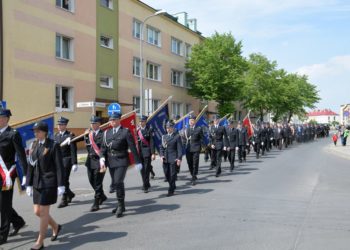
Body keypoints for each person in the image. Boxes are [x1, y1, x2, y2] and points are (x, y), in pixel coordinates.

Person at [26, 121, 65, 250]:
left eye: (38, 131)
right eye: (34, 131)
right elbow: (31, 166)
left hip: (49, 182)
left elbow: (59, 166)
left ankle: (40, 241)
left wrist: (61, 184)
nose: (35, 133)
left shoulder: (53, 145)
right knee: (37, 211)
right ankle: (55, 226)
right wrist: (29, 184)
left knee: (43, 212)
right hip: (37, 182)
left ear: (45, 132)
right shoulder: (34, 144)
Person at [99, 112, 142, 218]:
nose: (112, 121)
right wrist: (102, 158)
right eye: (111, 120)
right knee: (116, 183)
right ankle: (121, 205)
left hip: (122, 160)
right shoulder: (107, 133)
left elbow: (132, 147)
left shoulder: (125, 132)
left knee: (118, 182)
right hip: (111, 161)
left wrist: (137, 162)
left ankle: (120, 205)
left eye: (114, 119)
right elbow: (103, 147)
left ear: (119, 120)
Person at [0, 108, 27, 245]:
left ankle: (2, 235)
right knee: (1, 204)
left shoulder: (13, 134)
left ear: (6, 119)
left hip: (7, 174)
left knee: (4, 204)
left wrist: (26, 174)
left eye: (1, 117)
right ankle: (18, 221)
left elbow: (21, 155)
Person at [75, 115, 108, 211]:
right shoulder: (88, 134)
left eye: (94, 123)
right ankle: (102, 195)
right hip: (90, 161)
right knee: (91, 180)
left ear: (99, 124)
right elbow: (77, 139)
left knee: (98, 182)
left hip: (99, 161)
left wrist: (102, 157)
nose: (92, 125)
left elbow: (103, 148)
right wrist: (70, 139)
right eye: (91, 123)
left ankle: (96, 202)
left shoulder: (103, 135)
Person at [54, 117, 78, 208]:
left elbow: (73, 150)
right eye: (58, 124)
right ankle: (70, 194)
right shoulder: (56, 135)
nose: (59, 126)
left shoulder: (70, 135)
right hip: (58, 161)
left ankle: (64, 200)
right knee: (61, 180)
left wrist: (74, 162)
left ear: (65, 125)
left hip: (66, 160)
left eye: (61, 124)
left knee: (63, 180)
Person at [160, 120, 182, 196]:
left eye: (169, 127)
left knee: (172, 174)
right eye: (167, 128)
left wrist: (179, 158)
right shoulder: (164, 136)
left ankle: (171, 190)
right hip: (165, 158)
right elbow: (161, 148)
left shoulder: (177, 136)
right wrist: (161, 155)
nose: (168, 129)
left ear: (173, 128)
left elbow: (179, 148)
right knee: (166, 174)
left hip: (173, 157)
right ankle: (172, 185)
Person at [137, 115, 156, 193]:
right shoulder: (137, 130)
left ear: (145, 122)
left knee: (147, 169)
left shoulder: (149, 130)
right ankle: (146, 183)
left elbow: (152, 142)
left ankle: (145, 186)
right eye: (140, 121)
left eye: (143, 121)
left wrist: (153, 153)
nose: (141, 123)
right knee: (141, 169)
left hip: (147, 151)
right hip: (139, 152)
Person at [184, 115, 204, 185]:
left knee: (195, 163)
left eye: (192, 120)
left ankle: (193, 176)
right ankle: (192, 173)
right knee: (189, 163)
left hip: (196, 148)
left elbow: (202, 138)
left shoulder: (199, 129)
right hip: (188, 148)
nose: (191, 122)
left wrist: (201, 147)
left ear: (195, 121)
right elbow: (184, 139)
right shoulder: (186, 129)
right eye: (190, 121)